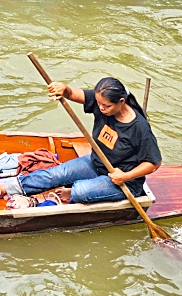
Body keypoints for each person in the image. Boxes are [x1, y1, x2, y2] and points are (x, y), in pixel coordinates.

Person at [8, 77, 161, 205]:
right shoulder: (101, 100)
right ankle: (9, 188)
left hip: (122, 181)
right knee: (56, 174)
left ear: (121, 101)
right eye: (98, 103)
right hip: (96, 163)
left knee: (81, 190)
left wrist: (124, 176)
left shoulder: (139, 127)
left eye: (106, 106)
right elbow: (73, 93)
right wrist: (64, 88)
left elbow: (154, 163)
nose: (100, 108)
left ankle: (72, 193)